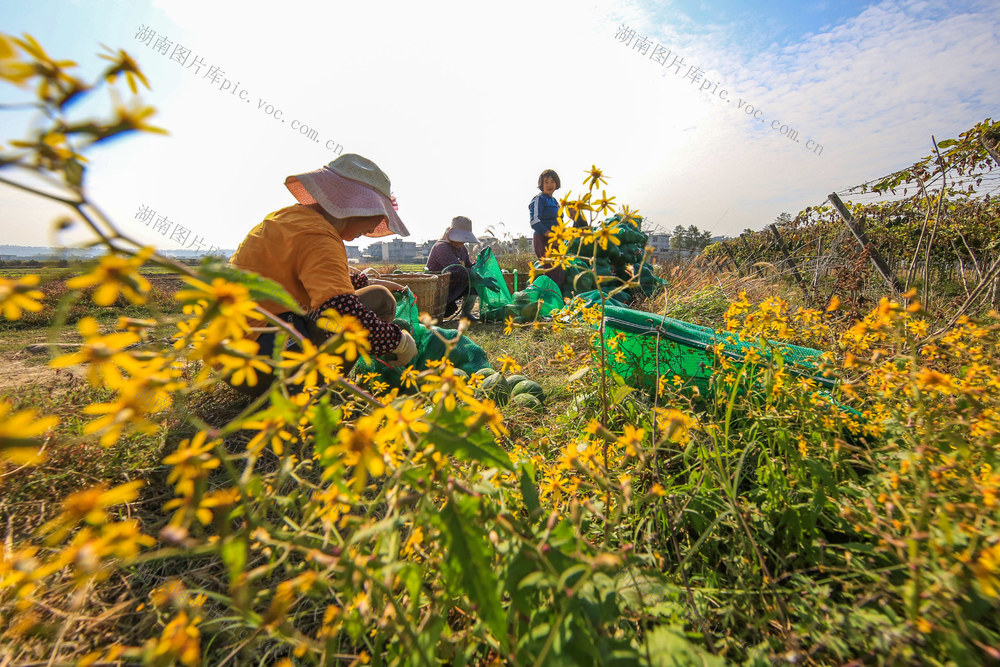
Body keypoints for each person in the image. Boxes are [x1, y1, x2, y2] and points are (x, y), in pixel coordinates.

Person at [228, 153, 418, 396]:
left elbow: (312, 277)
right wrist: (396, 341)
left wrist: (365, 280)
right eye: (376, 215)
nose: (374, 227)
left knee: (376, 293)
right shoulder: (318, 236)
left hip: (236, 356)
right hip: (264, 360)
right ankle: (315, 391)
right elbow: (342, 311)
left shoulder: (291, 219)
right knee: (378, 301)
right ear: (356, 207)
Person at [425, 216, 479, 321]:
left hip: (453, 286)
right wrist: (476, 275)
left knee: (472, 282)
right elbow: (457, 269)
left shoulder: (462, 249)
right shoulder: (441, 247)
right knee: (448, 310)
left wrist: (478, 266)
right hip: (438, 290)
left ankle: (466, 313)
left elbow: (467, 266)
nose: (462, 242)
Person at [528, 169, 565, 286]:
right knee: (551, 270)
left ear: (557, 183)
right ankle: (548, 300)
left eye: (552, 182)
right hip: (543, 239)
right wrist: (549, 234)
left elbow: (560, 220)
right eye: (546, 182)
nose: (549, 185)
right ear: (541, 184)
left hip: (556, 240)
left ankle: (558, 299)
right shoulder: (539, 199)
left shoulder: (554, 201)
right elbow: (535, 221)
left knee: (560, 271)